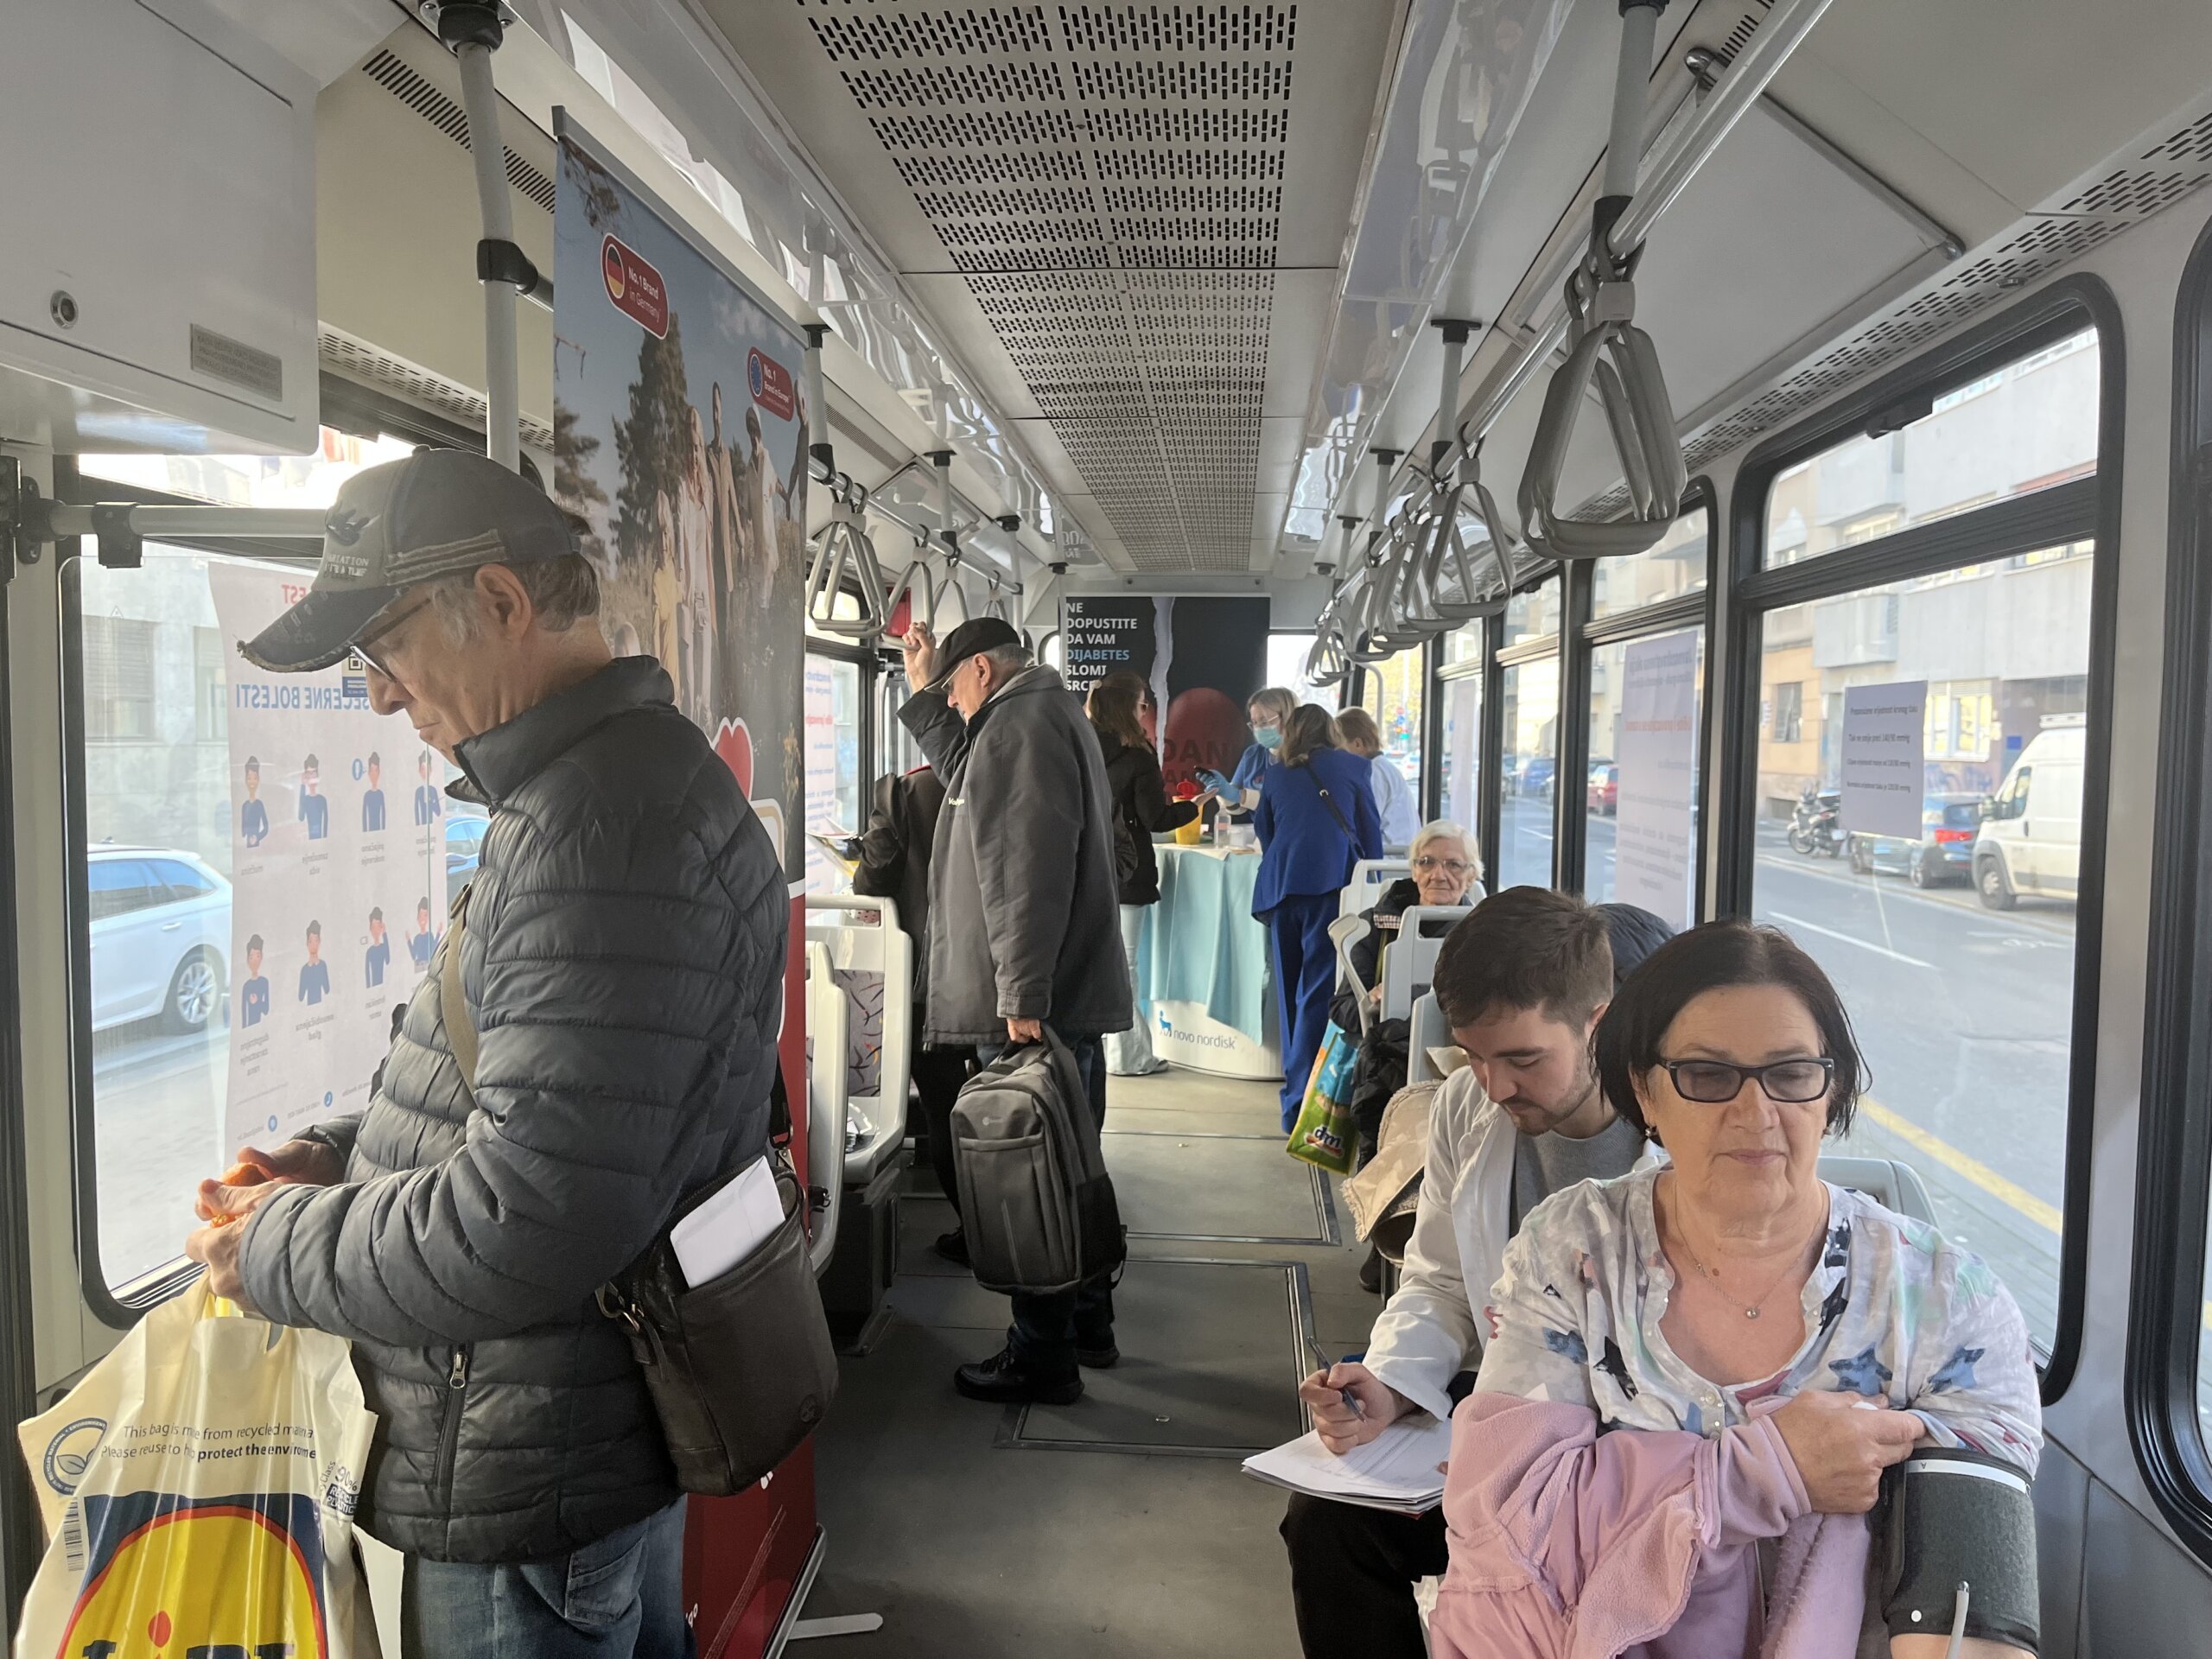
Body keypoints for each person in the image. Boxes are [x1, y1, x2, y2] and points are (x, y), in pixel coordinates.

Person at [181, 447, 788, 1659]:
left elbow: (530, 1215)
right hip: (569, 1439)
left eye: (386, 648)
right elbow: (543, 1097)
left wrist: (275, 1246)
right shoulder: (610, 789)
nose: (379, 697)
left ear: (503, 603)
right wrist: (342, 1156)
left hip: (527, 1476)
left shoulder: (598, 832)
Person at [1427, 921, 2040, 1659]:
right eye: (1707, 1076)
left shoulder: (1950, 1306)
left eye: (1792, 1073)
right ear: (1646, 1092)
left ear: (1830, 1090)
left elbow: (1967, 1615)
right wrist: (1767, 1472)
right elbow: (1508, 1530)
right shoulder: (1573, 1254)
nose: (1756, 1114)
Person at [1281, 893, 1674, 1659]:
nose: (1494, 1085)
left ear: (1598, 1024)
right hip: (1508, 1406)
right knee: (1329, 1523)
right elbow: (1440, 1280)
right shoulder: (1466, 1107)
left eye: (1523, 1060)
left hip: (1637, 1442)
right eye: (1473, 1055)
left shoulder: (1674, 1137)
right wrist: (1391, 1384)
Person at [898, 615, 1131, 1405]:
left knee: (1034, 1181)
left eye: (952, 688)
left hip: (1035, 1004)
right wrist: (924, 690)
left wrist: (1021, 992)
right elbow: (970, 780)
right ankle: (1088, 1323)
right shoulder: (1035, 713)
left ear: (983, 673)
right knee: (1073, 1166)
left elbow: (1026, 869)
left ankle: (1042, 1355)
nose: (952, 703)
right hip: (1059, 997)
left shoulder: (1020, 727)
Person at [849, 761, 976, 1265]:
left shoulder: (906, 790)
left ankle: (976, 1233)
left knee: (944, 1104)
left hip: (932, 975)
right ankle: (1023, 1227)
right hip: (1002, 976)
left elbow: (874, 879)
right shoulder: (1013, 772)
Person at [1252, 705, 1382, 1132]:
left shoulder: (1276, 774)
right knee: (1317, 992)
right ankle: (1308, 1103)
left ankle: (1292, 1103)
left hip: (1282, 890)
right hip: (1331, 889)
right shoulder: (1354, 767)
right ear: (1330, 730)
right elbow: (1370, 835)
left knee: (1290, 993)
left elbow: (1266, 831)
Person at [1326, 818, 1480, 1164]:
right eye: (1427, 862)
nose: (1439, 874)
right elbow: (1340, 1008)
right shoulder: (1376, 925)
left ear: (1472, 875)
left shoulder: (1485, 932)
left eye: (1453, 865)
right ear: (1413, 870)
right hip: (1389, 1071)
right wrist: (1371, 1002)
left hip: (1465, 1068)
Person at [1089, 669, 1198, 1077]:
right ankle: (1129, 1055)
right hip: (1129, 868)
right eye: (1142, 704)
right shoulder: (1138, 755)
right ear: (1129, 707)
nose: (1144, 711)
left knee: (1101, 960)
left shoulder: (1081, 745)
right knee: (1127, 964)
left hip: (1089, 865)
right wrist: (1193, 808)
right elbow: (1155, 819)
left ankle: (1106, 1047)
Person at [1198, 684, 1297, 812]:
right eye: (1254, 723)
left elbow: (1287, 803)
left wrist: (1240, 795)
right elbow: (1237, 809)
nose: (1259, 728)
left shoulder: (1305, 756)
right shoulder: (1253, 755)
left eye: (1264, 722)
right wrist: (1223, 792)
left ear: (1288, 718)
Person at [1334, 707, 1418, 852]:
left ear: (1358, 744)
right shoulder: (1384, 768)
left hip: (1389, 856)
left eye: (1340, 749)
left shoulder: (1373, 773)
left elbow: (1366, 824)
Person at [238, 935, 270, 1029]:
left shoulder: (264, 982)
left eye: (258, 956)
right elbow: (244, 1012)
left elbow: (266, 1010)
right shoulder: (246, 986)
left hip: (262, 1028)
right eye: (251, 957)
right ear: (248, 960)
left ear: (261, 957)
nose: (255, 961)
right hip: (249, 1029)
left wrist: (257, 1002)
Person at [297, 920, 329, 1006]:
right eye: (311, 941)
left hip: (322, 1007)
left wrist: (318, 965)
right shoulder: (305, 969)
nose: (314, 945)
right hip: (309, 1008)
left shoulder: (322, 965)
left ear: (319, 942)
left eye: (316, 940)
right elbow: (301, 997)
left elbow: (327, 990)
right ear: (307, 944)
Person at [298, 753, 329, 840]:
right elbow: (301, 817)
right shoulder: (305, 800)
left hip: (321, 840)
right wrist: (302, 785)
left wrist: (324, 841)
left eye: (314, 773)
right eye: (309, 773)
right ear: (305, 776)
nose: (312, 777)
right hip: (308, 839)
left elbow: (325, 824)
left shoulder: (322, 800)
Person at [241, 757, 270, 847]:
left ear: (258, 780)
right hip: (246, 845)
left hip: (256, 844)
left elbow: (266, 827)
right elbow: (243, 830)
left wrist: (257, 837)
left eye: (255, 778)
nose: (252, 782)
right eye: (249, 778)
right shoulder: (245, 805)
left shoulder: (259, 805)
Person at [407, 896, 436, 973]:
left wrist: (439, 933)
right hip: (419, 969)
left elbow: (434, 948)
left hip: (429, 968)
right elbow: (413, 955)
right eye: (420, 916)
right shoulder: (416, 938)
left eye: (425, 915)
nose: (423, 919)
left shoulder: (430, 935)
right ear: (417, 918)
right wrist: (408, 941)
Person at [414, 749, 442, 827]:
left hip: (432, 826)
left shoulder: (433, 790)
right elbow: (416, 811)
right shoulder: (418, 791)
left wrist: (431, 804)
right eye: (423, 769)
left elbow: (438, 812)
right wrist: (418, 825)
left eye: (427, 768)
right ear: (419, 770)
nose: (425, 772)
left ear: (430, 770)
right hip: (421, 827)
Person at [364, 906, 390, 988]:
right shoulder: (369, 951)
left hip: (383, 986)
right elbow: (367, 973)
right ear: (370, 928)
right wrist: (368, 989)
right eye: (373, 927)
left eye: (378, 926)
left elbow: (388, 960)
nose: (375, 930)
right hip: (373, 988)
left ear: (381, 928)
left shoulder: (383, 948)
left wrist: (385, 934)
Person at [362, 751, 386, 832]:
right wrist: (365, 833)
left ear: (379, 772)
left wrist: (383, 831)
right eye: (371, 771)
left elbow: (383, 816)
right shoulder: (367, 795)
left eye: (376, 771)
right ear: (369, 773)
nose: (374, 774)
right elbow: (364, 818)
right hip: (369, 833)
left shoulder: (380, 794)